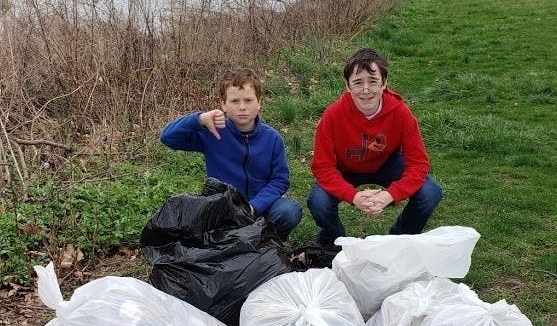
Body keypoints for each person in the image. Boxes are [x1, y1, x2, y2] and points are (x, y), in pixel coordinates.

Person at [307, 48, 442, 245]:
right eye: (358, 82)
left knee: (430, 192)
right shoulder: (332, 115)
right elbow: (322, 166)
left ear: (384, 83)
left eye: (373, 81)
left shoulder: (401, 113)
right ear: (347, 85)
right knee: (318, 201)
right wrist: (353, 196)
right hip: (345, 167)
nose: (366, 90)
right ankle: (334, 240)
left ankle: (398, 239)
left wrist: (390, 195)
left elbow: (419, 164)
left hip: (387, 162)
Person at [159, 68, 302, 240]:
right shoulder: (213, 133)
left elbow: (280, 181)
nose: (242, 107)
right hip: (224, 209)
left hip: (261, 208)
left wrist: (253, 207)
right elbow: (168, 138)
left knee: (289, 211)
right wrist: (199, 119)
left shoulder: (272, 139)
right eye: (234, 101)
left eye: (248, 100)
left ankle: (269, 242)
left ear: (259, 102)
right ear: (224, 105)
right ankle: (234, 242)